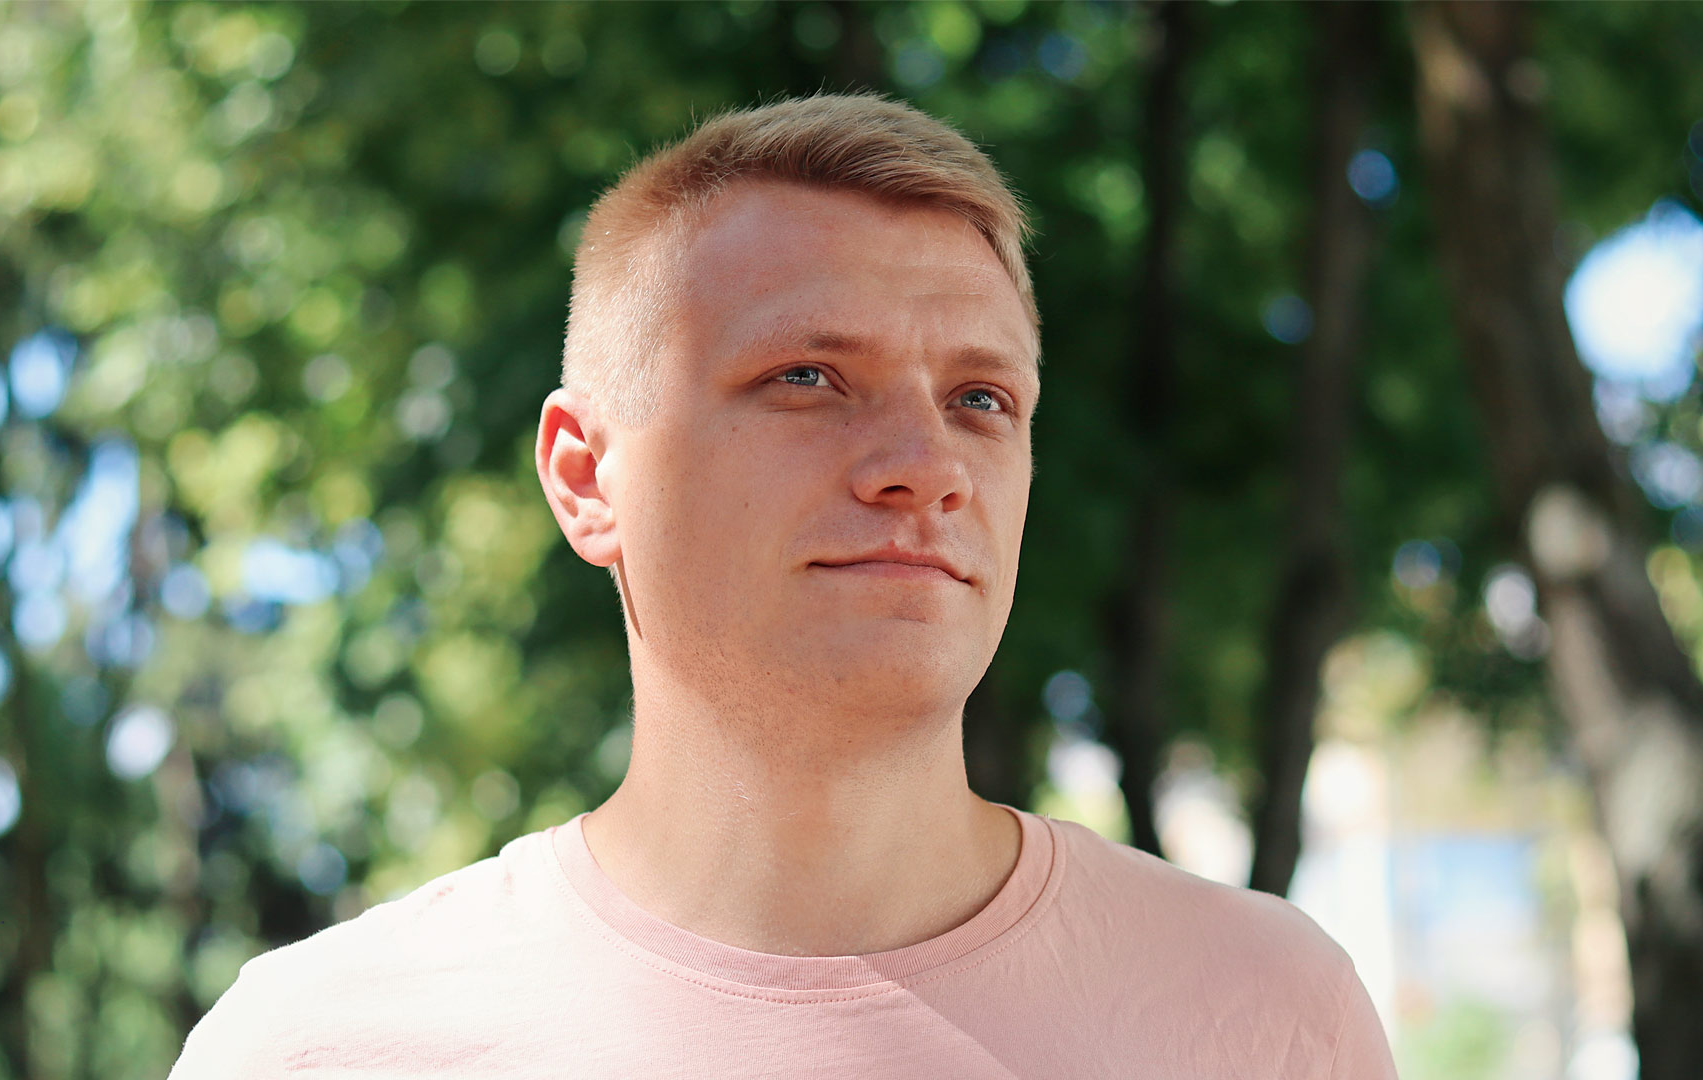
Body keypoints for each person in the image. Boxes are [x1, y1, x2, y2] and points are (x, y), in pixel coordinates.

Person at [170, 92, 1398, 1079]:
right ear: (587, 477)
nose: (927, 470)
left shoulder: (1267, 1019)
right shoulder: (315, 1049)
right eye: (809, 378)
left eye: (981, 399)